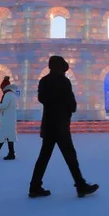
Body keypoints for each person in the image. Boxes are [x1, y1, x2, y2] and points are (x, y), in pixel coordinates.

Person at [29, 56, 98, 198]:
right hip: (60, 124)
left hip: (48, 124)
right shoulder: (64, 81)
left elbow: (41, 99)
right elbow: (71, 104)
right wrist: (67, 106)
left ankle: (34, 186)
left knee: (44, 156)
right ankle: (80, 185)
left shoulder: (44, 81)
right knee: (70, 156)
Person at [0, 78, 18, 160]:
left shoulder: (8, 94)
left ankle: (7, 153)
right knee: (7, 135)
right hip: (9, 118)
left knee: (5, 135)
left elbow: (4, 106)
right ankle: (1, 152)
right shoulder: (11, 94)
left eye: (2, 88)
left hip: (7, 119)